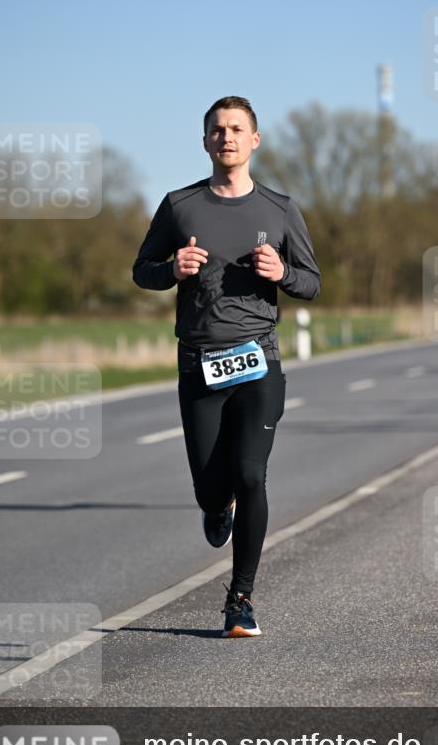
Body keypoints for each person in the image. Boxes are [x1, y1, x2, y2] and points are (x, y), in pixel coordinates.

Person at [132, 96, 321, 636]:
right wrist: (172, 268)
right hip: (199, 363)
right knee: (212, 489)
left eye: (237, 129)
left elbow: (311, 283)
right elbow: (141, 271)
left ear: (254, 140)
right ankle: (217, 509)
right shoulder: (178, 205)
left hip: (259, 359)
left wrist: (282, 271)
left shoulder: (279, 209)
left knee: (250, 474)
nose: (227, 137)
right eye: (217, 130)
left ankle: (240, 599)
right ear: (205, 140)